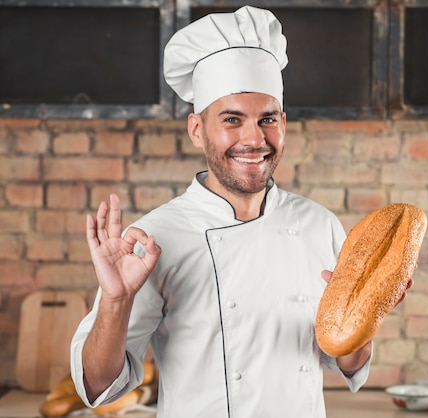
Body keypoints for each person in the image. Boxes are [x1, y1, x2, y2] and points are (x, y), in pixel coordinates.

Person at [70, 5, 410, 418]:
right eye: (232, 119)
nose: (254, 138)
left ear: (283, 123)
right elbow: (98, 385)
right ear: (197, 129)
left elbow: (346, 362)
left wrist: (368, 315)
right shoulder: (154, 237)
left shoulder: (319, 225)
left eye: (268, 119)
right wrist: (116, 300)